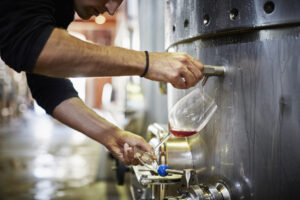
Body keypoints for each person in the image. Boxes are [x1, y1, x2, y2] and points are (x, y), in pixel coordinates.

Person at [0, 0, 204, 165]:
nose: (113, 9)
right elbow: (30, 43)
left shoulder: (59, 10)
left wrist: (111, 135)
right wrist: (148, 62)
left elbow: (48, 85)